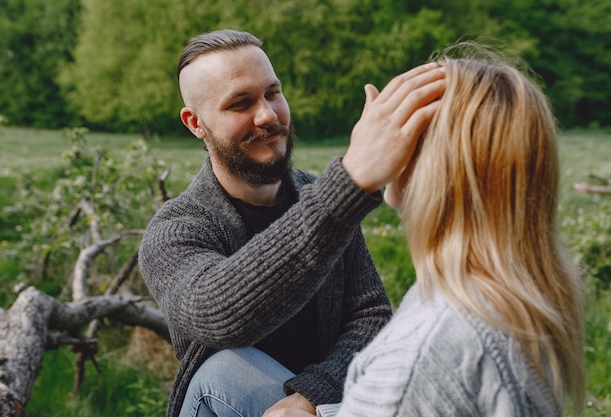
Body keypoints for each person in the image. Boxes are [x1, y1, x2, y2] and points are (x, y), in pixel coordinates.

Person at [138, 29, 446, 417]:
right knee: (222, 367)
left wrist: (308, 397)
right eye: (240, 103)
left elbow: (370, 316)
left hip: (325, 406)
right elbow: (216, 316)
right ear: (195, 123)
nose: (267, 115)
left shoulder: (316, 194)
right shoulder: (176, 230)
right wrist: (350, 182)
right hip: (226, 402)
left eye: (272, 93)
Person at [270, 46, 586, 417]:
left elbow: (409, 388)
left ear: (435, 162)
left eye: (404, 125)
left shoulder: (422, 349)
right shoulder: (525, 292)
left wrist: (355, 171)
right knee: (226, 369)